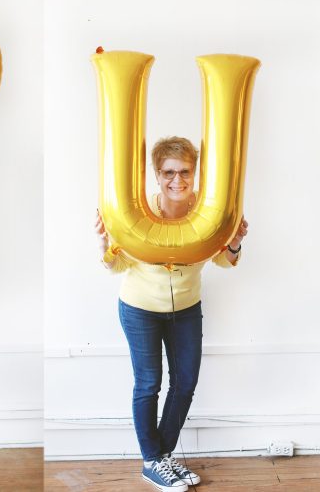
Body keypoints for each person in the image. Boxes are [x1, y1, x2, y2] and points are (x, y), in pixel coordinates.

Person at [95, 136, 248, 492]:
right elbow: (117, 266)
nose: (176, 180)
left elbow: (222, 260)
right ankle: (153, 460)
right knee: (149, 384)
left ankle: (158, 458)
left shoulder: (207, 212)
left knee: (186, 383)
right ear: (156, 174)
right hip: (140, 309)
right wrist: (103, 246)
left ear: (195, 174)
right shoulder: (137, 213)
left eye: (184, 172)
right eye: (168, 173)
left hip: (186, 310)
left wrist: (235, 243)